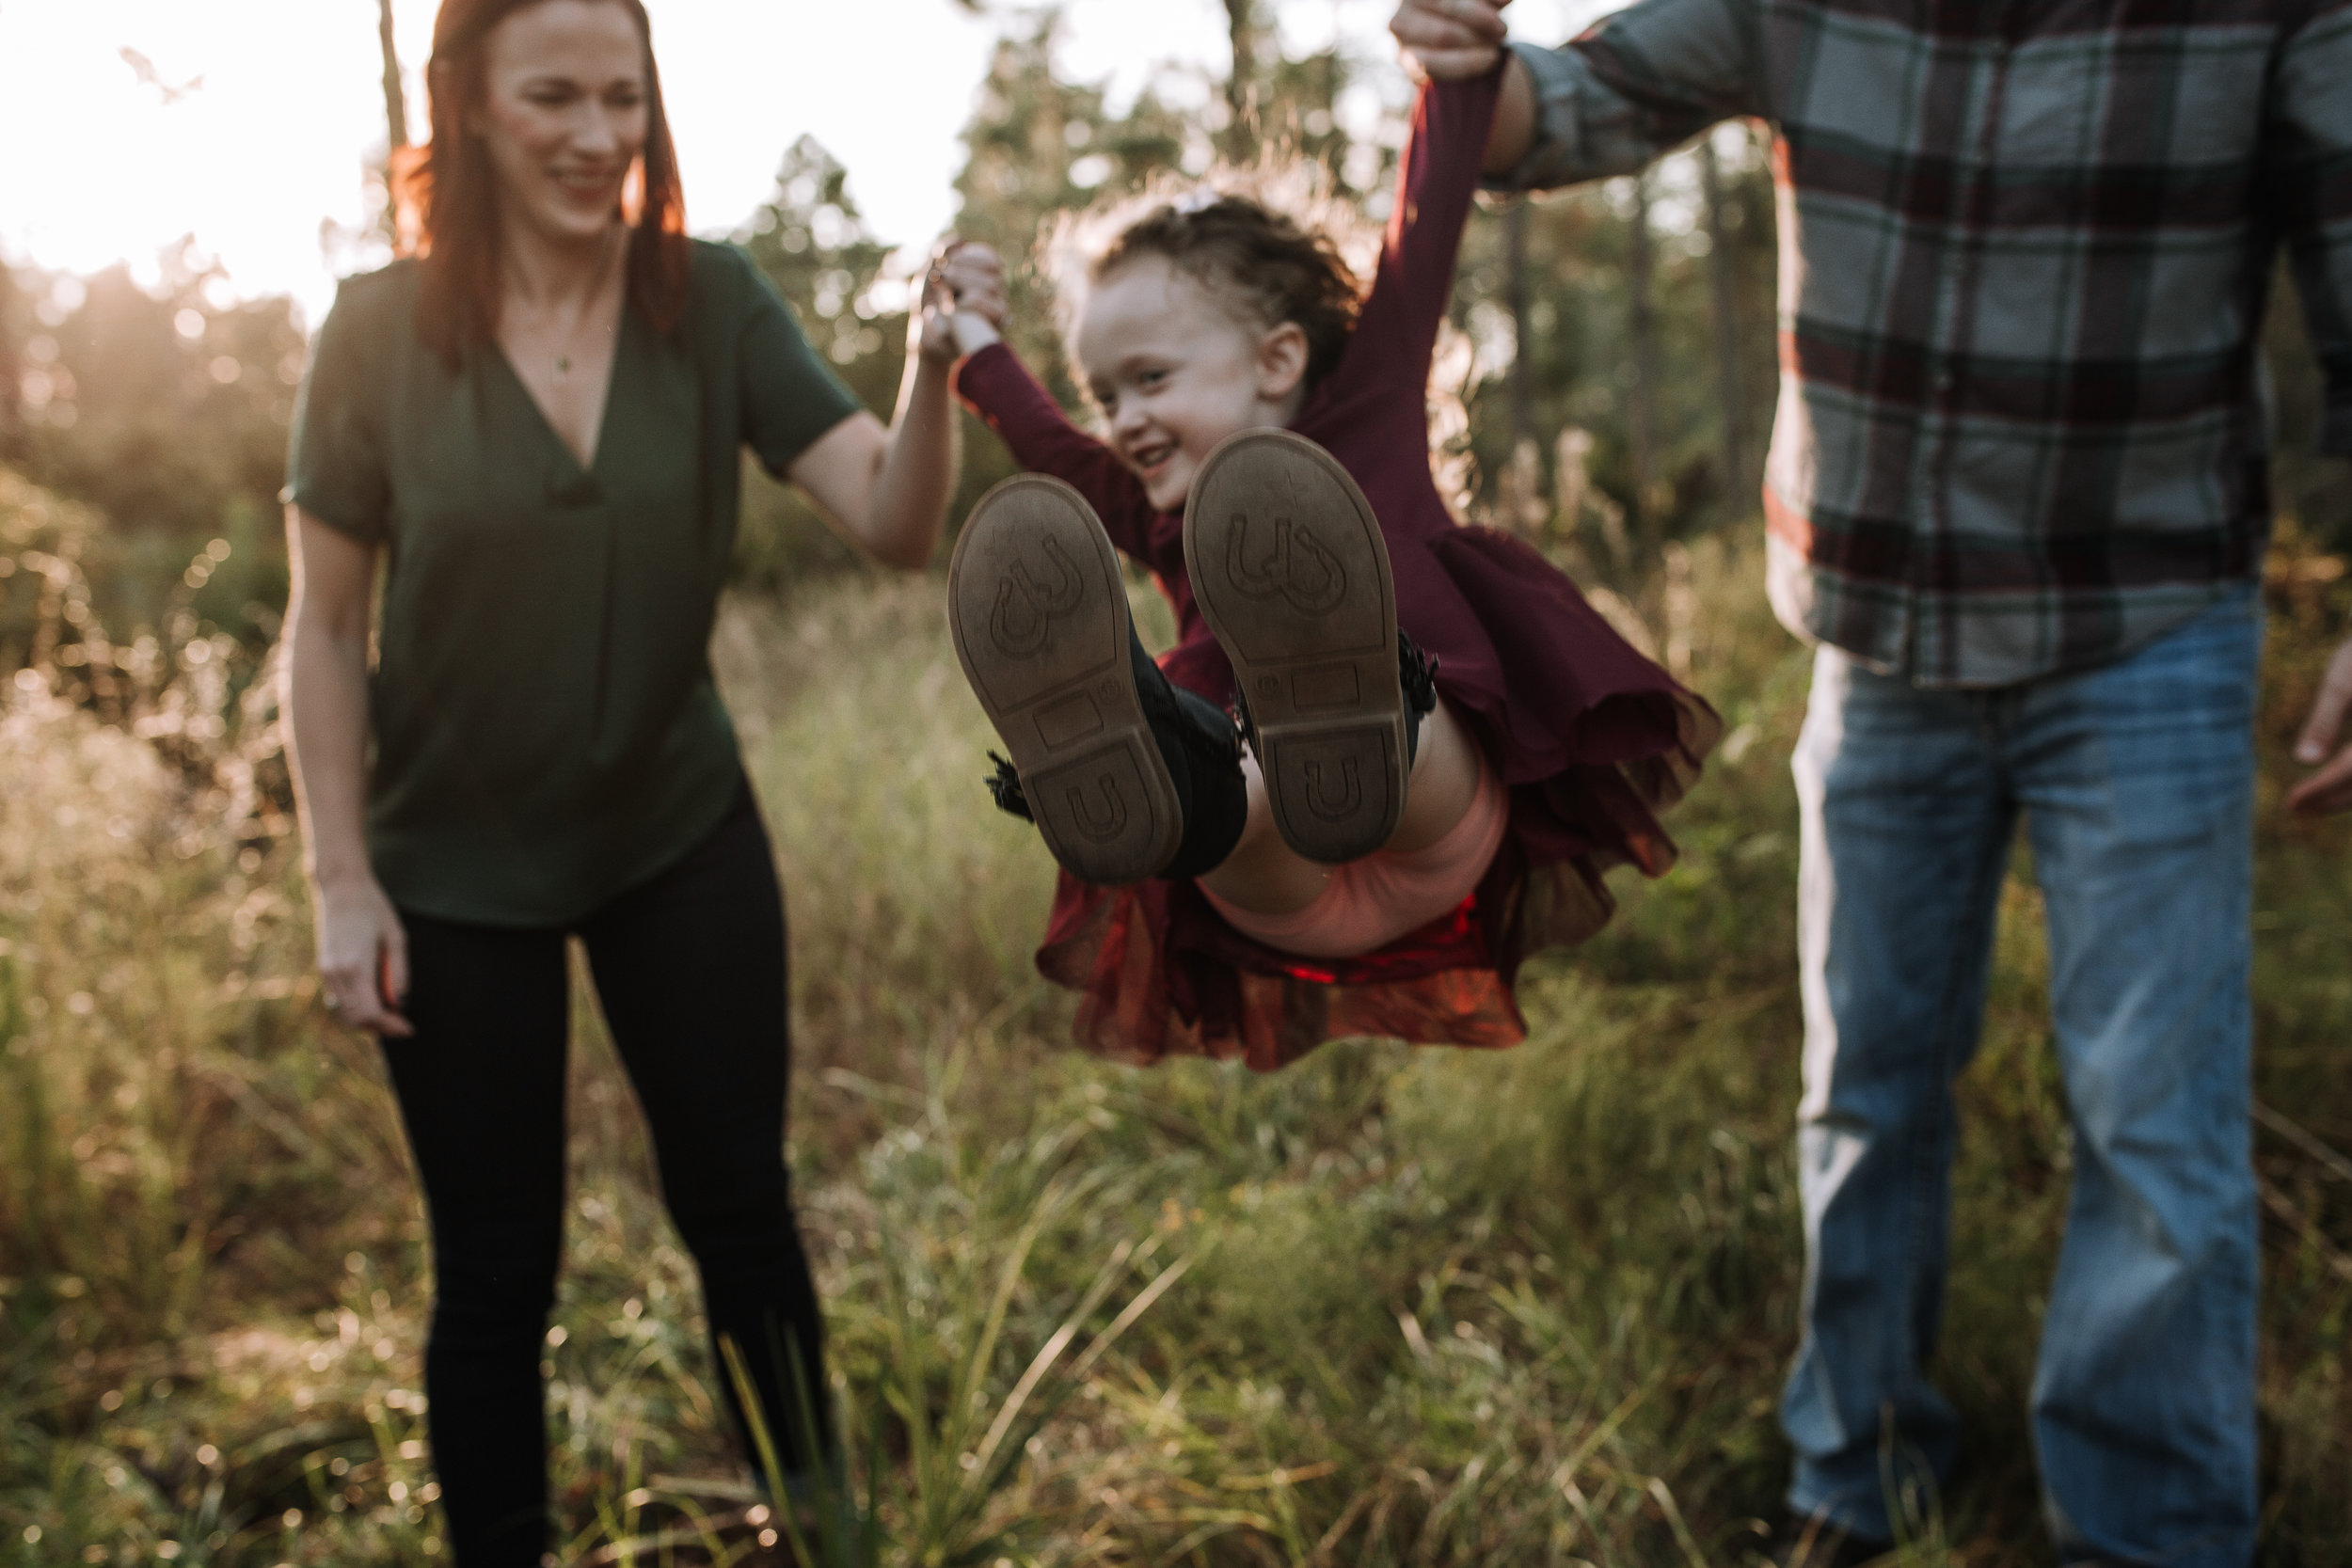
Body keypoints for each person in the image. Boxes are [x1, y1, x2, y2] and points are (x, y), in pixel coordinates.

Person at [1388, 0, 2352, 1561]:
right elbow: (1559, 113)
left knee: (2156, 1122)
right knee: (1868, 1088)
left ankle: (2149, 1526)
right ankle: (1860, 1472)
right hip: (1882, 637)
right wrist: (1466, 55)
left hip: (2146, 623)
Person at [278, 0, 968, 1559]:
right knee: (498, 1265)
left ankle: (824, 1528)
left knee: (741, 1211)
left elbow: (893, 516)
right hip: (448, 868)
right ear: (465, 102)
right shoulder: (374, 332)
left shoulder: (709, 302)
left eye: (623, 97)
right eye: (554, 97)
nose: (598, 135)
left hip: (678, 834)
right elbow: (320, 630)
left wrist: (931, 368)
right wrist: (341, 878)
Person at [930, 60, 1718, 1072]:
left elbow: (1422, 226)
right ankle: (1171, 771)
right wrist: (970, 339)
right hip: (1287, 899)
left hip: (1423, 831)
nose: (1121, 418)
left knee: (1389, 722)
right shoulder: (1152, 510)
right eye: (1103, 393)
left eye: (1150, 378)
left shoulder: (1372, 405)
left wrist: (1456, 74)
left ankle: (1345, 706)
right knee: (1243, 789)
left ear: (1277, 358)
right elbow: (1044, 441)